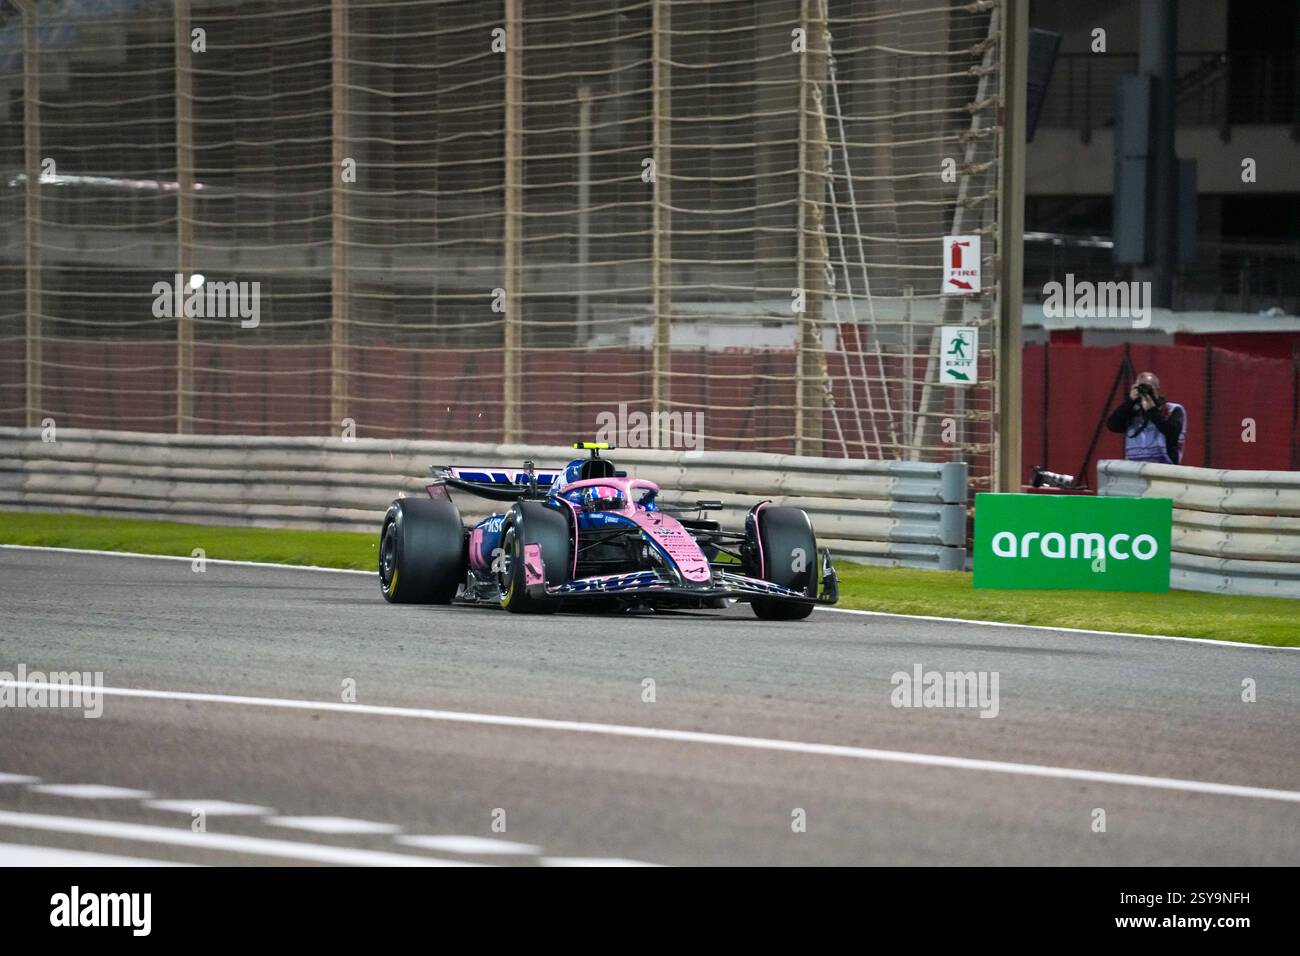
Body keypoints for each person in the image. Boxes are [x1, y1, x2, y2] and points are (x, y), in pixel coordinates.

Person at [1106, 371, 1186, 465]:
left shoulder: (1172, 409)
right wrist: (1130, 401)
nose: (1145, 391)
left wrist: (1152, 411)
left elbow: (1172, 432)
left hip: (1164, 467)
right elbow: (1112, 426)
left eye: (1148, 388)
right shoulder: (1133, 410)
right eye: (1141, 387)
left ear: (1157, 389)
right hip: (1134, 468)